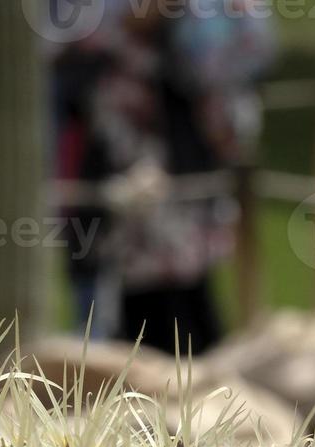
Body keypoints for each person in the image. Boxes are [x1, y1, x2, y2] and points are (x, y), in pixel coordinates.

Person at [51, 1, 276, 353]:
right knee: (141, 292)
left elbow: (244, 54)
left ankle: (190, 384)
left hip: (176, 158)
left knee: (182, 293)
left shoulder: (188, 54)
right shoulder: (113, 65)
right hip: (131, 161)